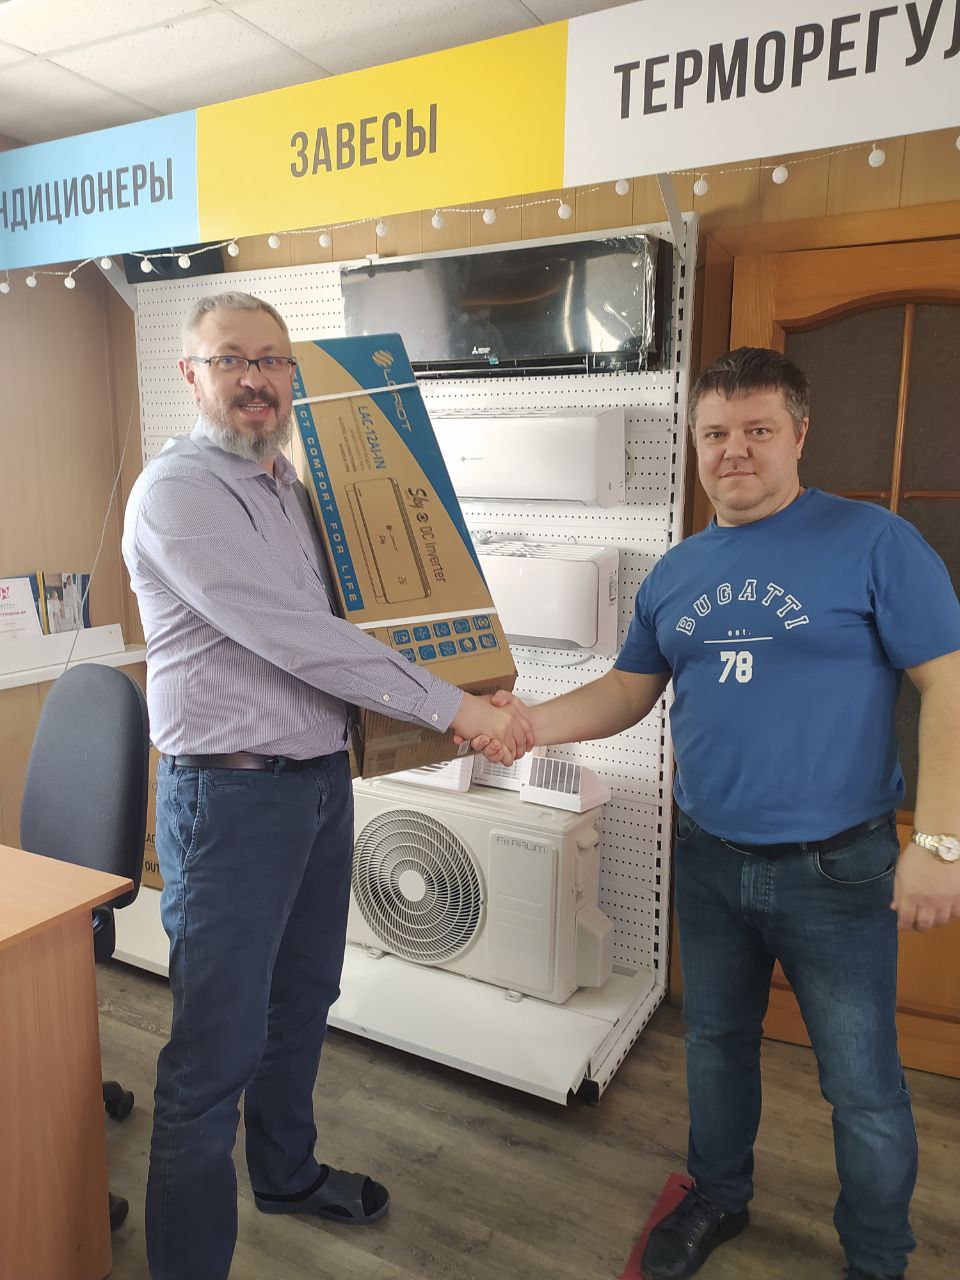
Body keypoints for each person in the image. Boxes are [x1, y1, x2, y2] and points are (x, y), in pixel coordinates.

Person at [481, 348, 960, 1280]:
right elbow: (627, 691)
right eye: (715, 434)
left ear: (799, 435)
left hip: (837, 867)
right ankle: (718, 1193)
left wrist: (939, 840)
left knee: (862, 1087)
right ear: (696, 445)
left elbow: (948, 682)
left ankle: (878, 1259)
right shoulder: (679, 570)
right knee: (715, 1048)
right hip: (708, 858)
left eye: (757, 431)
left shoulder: (875, 542)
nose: (733, 450)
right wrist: (526, 723)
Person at [122, 290, 532, 1280]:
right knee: (213, 1053)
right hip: (228, 802)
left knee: (303, 995)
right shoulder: (178, 493)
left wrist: (469, 671)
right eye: (231, 359)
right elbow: (301, 638)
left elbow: (371, 615)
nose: (255, 378)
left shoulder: (294, 491)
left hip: (315, 784)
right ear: (191, 375)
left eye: (272, 359)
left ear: (292, 374)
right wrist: (459, 710)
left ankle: (286, 1173)